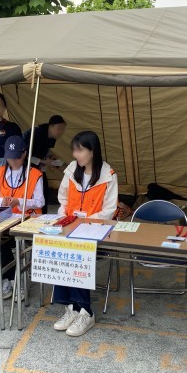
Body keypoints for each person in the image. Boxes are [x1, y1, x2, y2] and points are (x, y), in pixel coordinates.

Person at [52, 131, 118, 337]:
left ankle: (86, 311)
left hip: (95, 231)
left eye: (79, 150)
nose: (75, 155)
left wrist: (84, 222)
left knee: (77, 252)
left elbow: (109, 210)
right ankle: (72, 308)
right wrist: (64, 217)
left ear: (92, 151)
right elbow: (63, 198)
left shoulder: (108, 175)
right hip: (71, 228)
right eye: (74, 150)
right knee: (59, 249)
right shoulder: (72, 170)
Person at [0, 135, 44, 299]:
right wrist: (2, 201)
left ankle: (16, 280)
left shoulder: (35, 174)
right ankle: (7, 280)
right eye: (10, 158)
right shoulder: (0, 172)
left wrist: (19, 201)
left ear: (24, 154)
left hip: (26, 221)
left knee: (5, 241)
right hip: (5, 218)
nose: (14, 161)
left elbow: (40, 202)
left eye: (17, 157)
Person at [22, 114, 67, 211]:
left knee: (44, 193)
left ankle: (44, 215)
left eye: (62, 129)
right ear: (50, 126)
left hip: (39, 169)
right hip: (27, 169)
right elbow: (26, 155)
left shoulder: (51, 137)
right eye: (59, 128)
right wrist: (44, 161)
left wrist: (50, 158)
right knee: (35, 195)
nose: (60, 132)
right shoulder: (37, 134)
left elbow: (45, 152)